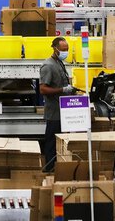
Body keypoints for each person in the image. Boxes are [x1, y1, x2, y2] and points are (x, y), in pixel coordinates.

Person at [39, 37, 76, 172]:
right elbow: (43, 89)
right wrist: (62, 90)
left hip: (63, 111)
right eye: (63, 50)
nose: (65, 52)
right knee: (51, 141)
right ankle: (49, 168)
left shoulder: (59, 63)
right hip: (54, 112)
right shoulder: (48, 66)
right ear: (55, 49)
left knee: (59, 142)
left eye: (67, 49)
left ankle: (57, 168)